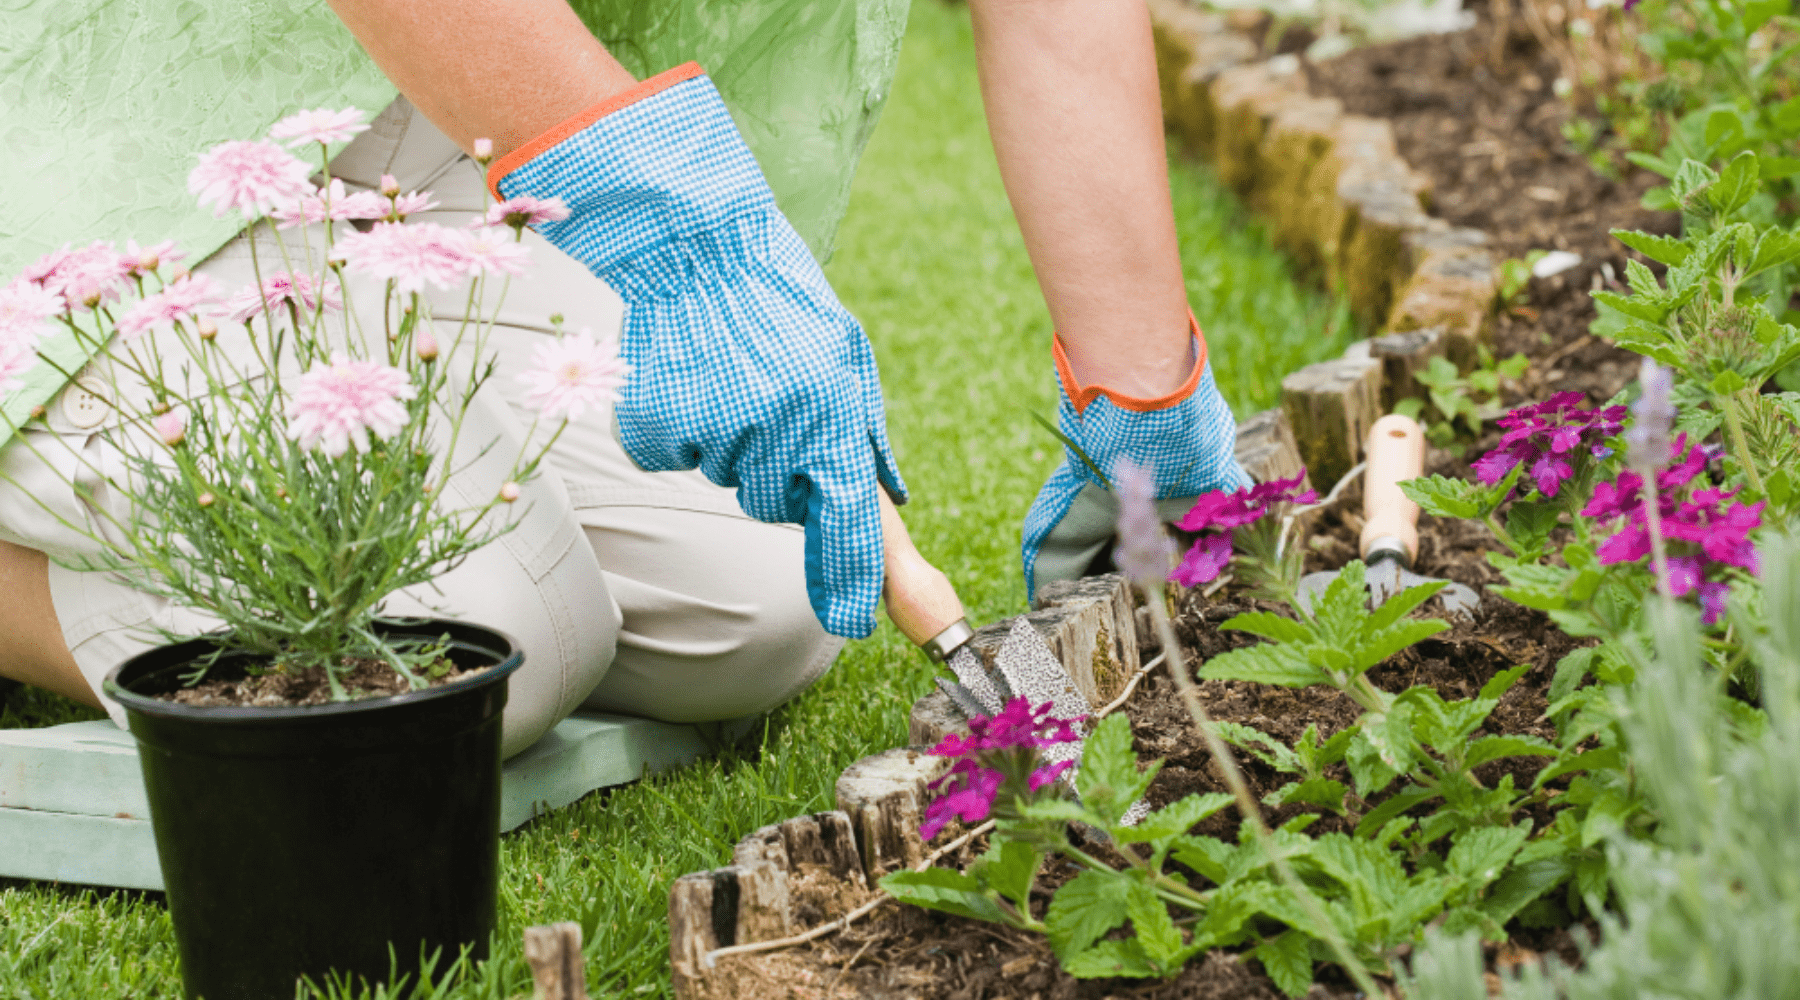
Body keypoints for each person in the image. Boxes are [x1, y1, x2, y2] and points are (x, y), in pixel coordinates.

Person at [0, 0, 1246, 757]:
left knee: (769, 609)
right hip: (89, 129)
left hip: (442, 115)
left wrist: (1148, 410)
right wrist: (682, 235)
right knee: (496, 652)